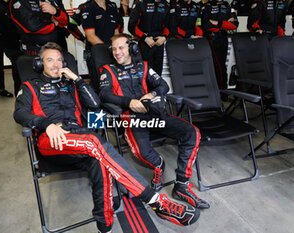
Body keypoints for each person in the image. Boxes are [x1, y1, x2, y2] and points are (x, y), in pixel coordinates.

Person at [13, 42, 200, 233]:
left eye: (59, 60)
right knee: (96, 141)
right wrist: (46, 125)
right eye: (50, 60)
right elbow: (19, 113)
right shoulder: (29, 87)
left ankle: (105, 227)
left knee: (100, 164)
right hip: (51, 140)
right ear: (39, 64)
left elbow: (94, 104)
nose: (56, 65)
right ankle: (154, 200)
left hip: (79, 138)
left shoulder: (70, 84)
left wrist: (77, 80)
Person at [99, 34, 210, 210]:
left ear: (132, 48)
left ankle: (181, 186)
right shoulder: (108, 70)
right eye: (113, 49)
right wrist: (129, 102)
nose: (117, 52)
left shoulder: (143, 66)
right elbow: (104, 94)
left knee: (192, 133)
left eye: (121, 47)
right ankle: (159, 165)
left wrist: (151, 95)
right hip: (132, 119)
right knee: (142, 153)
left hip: (155, 115)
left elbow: (163, 86)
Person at [81, 0, 122, 91]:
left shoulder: (112, 8)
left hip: (112, 53)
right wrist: (108, 49)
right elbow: (91, 37)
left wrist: (117, 48)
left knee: (115, 83)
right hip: (97, 55)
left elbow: (116, 32)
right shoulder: (88, 9)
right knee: (100, 86)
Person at [202, 0, 238, 90]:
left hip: (223, 38)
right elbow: (206, 25)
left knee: (222, 66)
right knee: (216, 66)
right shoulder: (207, 6)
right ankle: (218, 90)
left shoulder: (227, 5)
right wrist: (224, 25)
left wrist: (218, 23)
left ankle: (222, 90)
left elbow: (234, 25)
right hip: (212, 39)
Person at [128, 0, 170, 76]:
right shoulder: (140, 3)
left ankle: (158, 88)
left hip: (159, 43)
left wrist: (164, 37)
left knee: (157, 74)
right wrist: (144, 38)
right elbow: (132, 26)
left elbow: (169, 25)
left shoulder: (165, 4)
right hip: (145, 43)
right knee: (144, 73)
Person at [0, 0, 22, 96]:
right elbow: (11, 30)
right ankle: (19, 97)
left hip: (19, 44)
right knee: (18, 72)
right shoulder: (0, 9)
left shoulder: (13, 4)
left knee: (23, 71)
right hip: (12, 46)